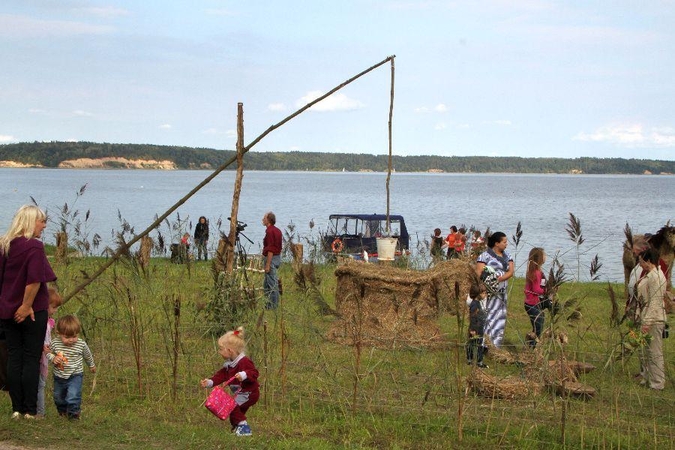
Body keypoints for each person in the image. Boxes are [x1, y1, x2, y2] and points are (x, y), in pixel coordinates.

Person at [0, 205, 57, 419]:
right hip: (31, 310)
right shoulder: (34, 246)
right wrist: (26, 306)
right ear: (31, 221)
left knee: (14, 357)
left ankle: (16, 408)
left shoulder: (5, 244)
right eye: (41, 221)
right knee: (31, 358)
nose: (44, 225)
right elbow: (34, 281)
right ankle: (30, 410)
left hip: (7, 309)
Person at [200, 327, 260, 436]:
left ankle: (244, 429)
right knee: (235, 412)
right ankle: (238, 428)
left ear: (230, 350)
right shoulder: (229, 364)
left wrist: (244, 375)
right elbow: (221, 376)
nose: (219, 352)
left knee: (231, 407)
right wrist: (210, 382)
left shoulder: (244, 362)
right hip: (242, 393)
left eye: (221, 349)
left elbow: (254, 373)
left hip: (249, 393)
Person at [47, 314, 96, 419]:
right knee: (58, 397)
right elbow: (47, 352)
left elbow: (87, 355)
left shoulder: (81, 344)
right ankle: (62, 412)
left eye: (74, 336)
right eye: (67, 337)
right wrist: (53, 358)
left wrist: (91, 365)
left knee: (73, 395)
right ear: (59, 334)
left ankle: (74, 414)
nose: (71, 340)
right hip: (59, 376)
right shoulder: (55, 343)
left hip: (75, 375)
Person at [475, 232, 514, 349]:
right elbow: (479, 272)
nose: (506, 244)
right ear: (497, 243)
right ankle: (484, 344)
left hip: (502, 293)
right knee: (488, 316)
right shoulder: (484, 256)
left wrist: (501, 278)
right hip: (489, 293)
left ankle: (496, 344)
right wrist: (490, 280)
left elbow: (511, 271)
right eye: (504, 242)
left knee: (500, 317)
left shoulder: (508, 255)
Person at [636, 249, 668, 390]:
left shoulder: (656, 277)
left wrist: (647, 322)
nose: (640, 264)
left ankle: (657, 383)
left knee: (654, 351)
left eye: (641, 261)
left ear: (648, 261)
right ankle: (648, 377)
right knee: (646, 350)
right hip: (645, 315)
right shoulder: (650, 275)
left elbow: (655, 302)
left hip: (654, 320)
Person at [37, 286, 62, 418]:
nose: (55, 310)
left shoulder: (49, 323)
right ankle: (40, 412)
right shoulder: (41, 323)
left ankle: (39, 411)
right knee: (40, 385)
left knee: (41, 384)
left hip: (45, 357)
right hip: (41, 357)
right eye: (53, 307)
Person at [524, 248, 547, 348]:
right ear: (540, 258)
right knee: (538, 327)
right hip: (533, 304)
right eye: (544, 255)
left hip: (530, 304)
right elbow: (537, 290)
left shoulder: (533, 271)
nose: (546, 257)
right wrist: (547, 290)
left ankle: (531, 345)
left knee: (536, 325)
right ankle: (532, 346)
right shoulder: (537, 273)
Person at [262, 212, 282, 309]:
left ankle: (273, 306)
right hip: (277, 257)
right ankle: (268, 304)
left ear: (268, 220)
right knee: (266, 283)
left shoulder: (270, 231)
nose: (263, 219)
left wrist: (268, 264)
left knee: (272, 284)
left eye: (264, 218)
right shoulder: (277, 230)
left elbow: (270, 249)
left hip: (271, 258)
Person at [466, 283, 488, 368]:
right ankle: (478, 362)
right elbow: (473, 318)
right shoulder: (475, 304)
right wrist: (473, 330)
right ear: (478, 294)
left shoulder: (477, 303)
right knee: (476, 345)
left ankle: (472, 360)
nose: (485, 295)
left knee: (476, 344)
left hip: (478, 328)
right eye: (483, 293)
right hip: (476, 329)